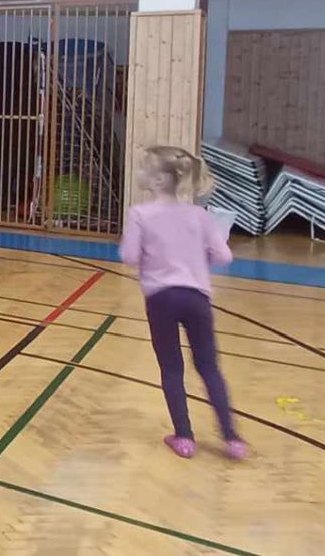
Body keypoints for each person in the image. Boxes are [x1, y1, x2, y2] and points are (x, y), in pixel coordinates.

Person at [120, 146, 247, 461]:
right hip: (197, 298)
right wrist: (194, 258)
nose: (139, 173)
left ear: (159, 180)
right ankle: (232, 438)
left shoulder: (140, 214)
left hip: (161, 299)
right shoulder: (200, 216)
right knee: (208, 366)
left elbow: (129, 256)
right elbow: (223, 256)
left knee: (171, 367)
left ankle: (185, 436)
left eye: (144, 168)